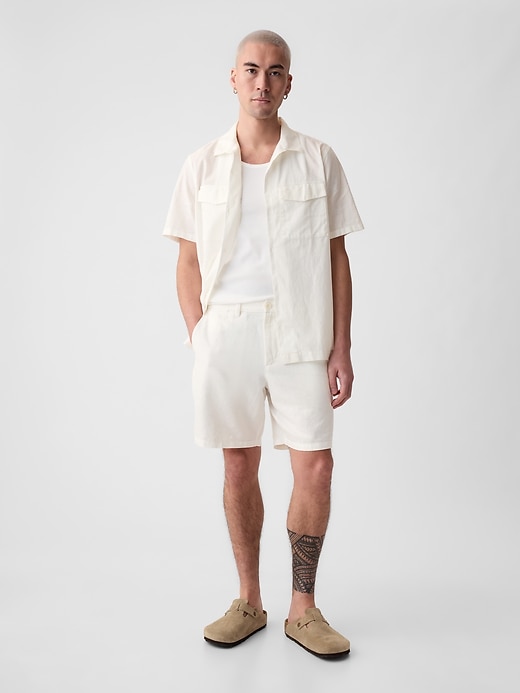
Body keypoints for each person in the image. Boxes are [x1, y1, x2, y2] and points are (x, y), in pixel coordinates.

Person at [162, 29, 363, 659]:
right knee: (238, 464)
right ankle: (249, 600)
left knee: (316, 464)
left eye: (275, 71)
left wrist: (341, 347)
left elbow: (337, 259)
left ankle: (304, 608)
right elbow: (187, 261)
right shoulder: (201, 165)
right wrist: (201, 335)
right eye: (251, 69)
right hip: (227, 331)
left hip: (301, 330)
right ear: (232, 78)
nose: (262, 82)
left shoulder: (318, 159)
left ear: (289, 83)